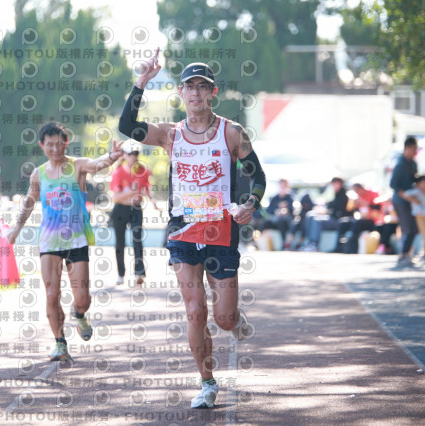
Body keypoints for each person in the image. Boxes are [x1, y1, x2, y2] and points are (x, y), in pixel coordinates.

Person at [119, 54, 263, 408]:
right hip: (183, 229)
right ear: (181, 92)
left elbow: (257, 175)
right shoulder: (171, 134)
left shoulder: (232, 132)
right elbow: (127, 125)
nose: (196, 93)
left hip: (221, 230)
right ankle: (207, 383)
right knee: (195, 311)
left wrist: (250, 203)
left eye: (202, 87)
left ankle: (234, 319)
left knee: (223, 318)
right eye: (190, 87)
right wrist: (141, 82)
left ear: (212, 92)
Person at [7, 121, 124, 361]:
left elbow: (97, 164)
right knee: (52, 294)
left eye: (59, 144)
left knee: (83, 299)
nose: (55, 149)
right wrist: (16, 228)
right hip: (49, 242)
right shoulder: (38, 174)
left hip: (76, 240)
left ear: (66, 143)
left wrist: (112, 157)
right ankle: (60, 343)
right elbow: (29, 201)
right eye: (50, 145)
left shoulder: (77, 166)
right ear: (42, 145)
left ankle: (79, 314)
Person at [109, 141, 157, 286]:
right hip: (120, 209)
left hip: (135, 209)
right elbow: (115, 197)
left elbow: (146, 187)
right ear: (124, 154)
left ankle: (139, 273)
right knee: (120, 242)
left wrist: (152, 200)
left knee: (137, 240)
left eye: (136, 153)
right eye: (130, 154)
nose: (133, 157)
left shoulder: (142, 171)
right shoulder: (118, 172)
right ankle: (121, 274)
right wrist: (131, 192)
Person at [389, 137, 419, 266]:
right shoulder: (400, 164)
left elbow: (415, 180)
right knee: (408, 228)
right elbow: (393, 184)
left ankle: (406, 253)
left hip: (411, 200)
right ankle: (403, 254)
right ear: (407, 148)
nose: (414, 152)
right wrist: (407, 197)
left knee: (414, 228)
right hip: (400, 200)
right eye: (413, 149)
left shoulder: (413, 163)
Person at [300, 177, 351, 252]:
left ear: (340, 184)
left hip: (338, 221)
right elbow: (331, 207)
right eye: (333, 184)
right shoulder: (336, 194)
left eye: (336, 184)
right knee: (310, 215)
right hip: (332, 218)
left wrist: (326, 211)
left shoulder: (344, 196)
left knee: (317, 220)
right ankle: (309, 241)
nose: (334, 186)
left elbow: (338, 212)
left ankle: (314, 244)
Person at [335, 183, 379, 254]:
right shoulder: (356, 197)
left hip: (371, 220)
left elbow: (378, 207)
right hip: (360, 218)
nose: (356, 193)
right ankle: (339, 247)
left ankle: (352, 248)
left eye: (357, 190)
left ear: (361, 188)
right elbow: (349, 209)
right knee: (342, 222)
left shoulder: (372, 193)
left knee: (356, 224)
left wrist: (368, 204)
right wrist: (353, 203)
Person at [404, 175, 425, 261]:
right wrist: (413, 199)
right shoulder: (415, 192)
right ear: (418, 184)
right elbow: (405, 194)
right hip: (419, 216)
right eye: (424, 182)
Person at [261, 179, 294, 249]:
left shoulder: (289, 198)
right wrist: (278, 208)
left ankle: (284, 244)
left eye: (284, 186)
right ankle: (264, 243)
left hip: (286, 221)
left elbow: (292, 210)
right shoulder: (275, 198)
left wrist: (285, 211)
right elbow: (269, 210)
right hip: (276, 219)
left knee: (282, 222)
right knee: (265, 223)